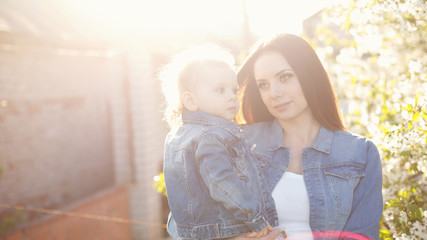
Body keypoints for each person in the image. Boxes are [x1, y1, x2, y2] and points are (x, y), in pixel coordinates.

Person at [232, 33, 383, 240]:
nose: (274, 92)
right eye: (263, 85)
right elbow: (185, 222)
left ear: (309, 76)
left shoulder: (360, 153)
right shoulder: (239, 142)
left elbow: (362, 235)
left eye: (284, 77)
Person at [160, 44, 277, 240]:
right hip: (228, 228)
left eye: (234, 89)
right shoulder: (210, 136)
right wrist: (254, 217)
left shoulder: (176, 136)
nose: (232, 96)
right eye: (220, 90)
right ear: (190, 101)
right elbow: (221, 181)